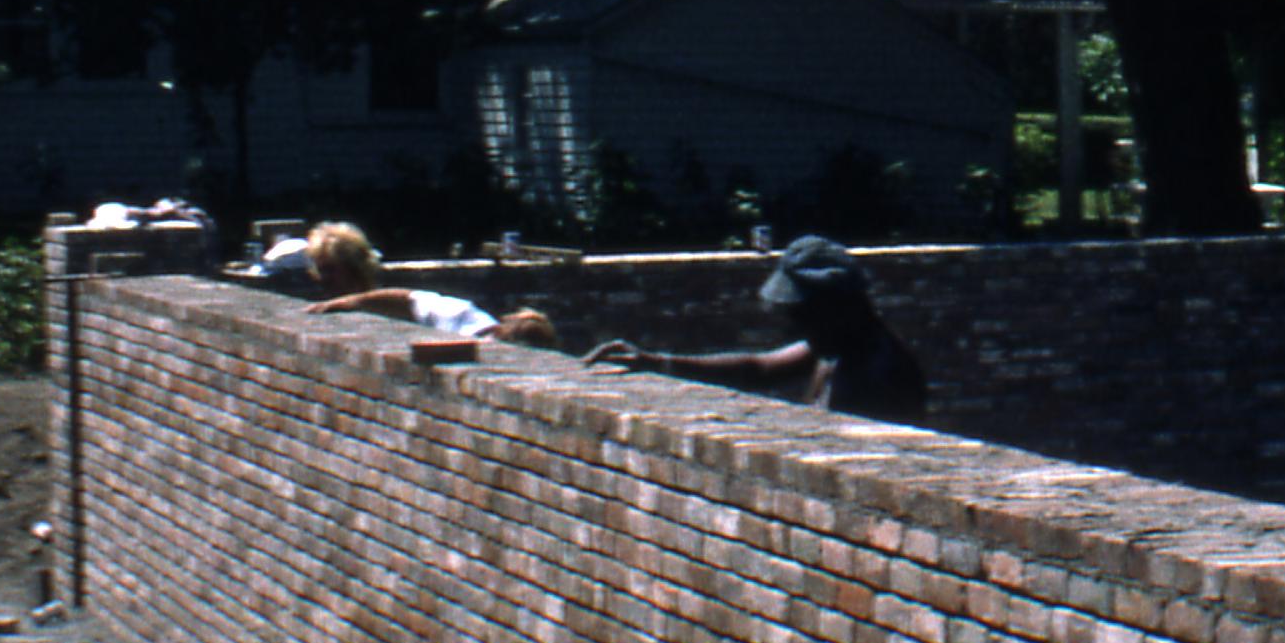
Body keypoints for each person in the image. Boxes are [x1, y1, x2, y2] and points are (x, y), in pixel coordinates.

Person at [590, 233, 927, 425]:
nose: (795, 324)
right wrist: (657, 362)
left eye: (805, 314)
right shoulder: (838, 345)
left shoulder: (880, 373)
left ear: (838, 306)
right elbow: (758, 368)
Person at [284, 221, 552, 345]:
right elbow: (412, 299)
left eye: (330, 270)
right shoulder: (459, 315)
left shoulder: (469, 325)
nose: (323, 279)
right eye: (321, 271)